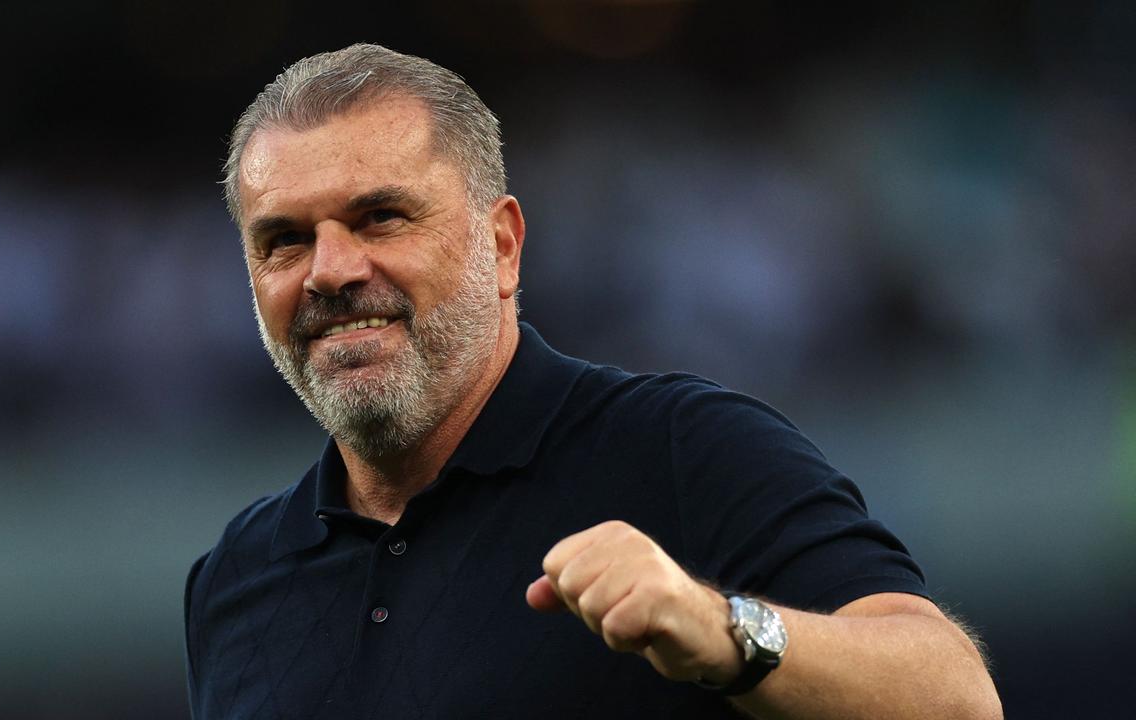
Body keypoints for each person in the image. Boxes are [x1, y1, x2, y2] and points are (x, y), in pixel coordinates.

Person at [184, 43, 1002, 719]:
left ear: (501, 247)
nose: (329, 270)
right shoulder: (235, 580)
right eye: (283, 240)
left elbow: (956, 698)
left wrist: (720, 631)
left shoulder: (680, 448)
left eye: (380, 218)